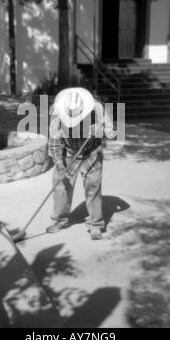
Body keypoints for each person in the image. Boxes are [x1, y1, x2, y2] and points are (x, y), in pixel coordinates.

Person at [47, 87, 116, 240]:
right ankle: (60, 220)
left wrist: (101, 131)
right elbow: (54, 143)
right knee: (61, 187)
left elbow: (112, 133)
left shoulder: (97, 108)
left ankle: (95, 225)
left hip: (91, 152)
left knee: (93, 187)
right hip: (69, 152)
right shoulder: (57, 113)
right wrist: (60, 164)